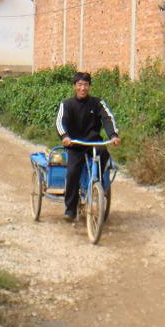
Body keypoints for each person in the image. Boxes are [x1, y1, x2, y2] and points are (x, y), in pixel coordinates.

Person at [55, 71, 120, 221]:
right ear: (74, 86)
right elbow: (60, 122)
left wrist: (113, 135)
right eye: (79, 85)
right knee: (72, 172)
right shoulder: (67, 104)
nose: (82, 88)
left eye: (85, 85)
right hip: (75, 144)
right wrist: (65, 136)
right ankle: (70, 208)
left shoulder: (97, 103)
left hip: (94, 142)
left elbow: (108, 118)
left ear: (89, 86)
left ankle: (100, 186)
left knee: (104, 155)